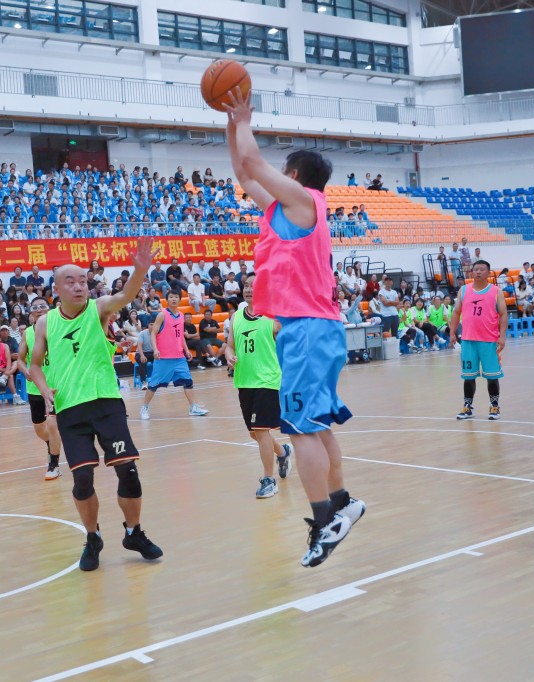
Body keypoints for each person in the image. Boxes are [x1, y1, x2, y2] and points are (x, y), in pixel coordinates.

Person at [225, 88, 364, 569]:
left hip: (308, 330)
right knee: (316, 426)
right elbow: (244, 172)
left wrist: (245, 119)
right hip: (311, 329)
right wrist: (231, 125)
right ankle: (343, 503)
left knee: (302, 430)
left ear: (296, 176)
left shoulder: (305, 202)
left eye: (284, 171)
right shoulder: (287, 211)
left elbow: (252, 161)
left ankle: (326, 521)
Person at [27, 236, 164, 572]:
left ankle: (133, 532)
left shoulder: (98, 309)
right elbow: (34, 365)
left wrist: (139, 271)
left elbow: (125, 295)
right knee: (83, 479)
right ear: (56, 288)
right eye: (70, 281)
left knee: (128, 471)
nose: (79, 286)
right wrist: (44, 389)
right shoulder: (45, 323)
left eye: (83, 281)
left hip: (106, 403)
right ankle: (92, 538)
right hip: (70, 409)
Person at [225, 275, 294, 499]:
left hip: (268, 380)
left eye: (254, 286)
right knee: (254, 433)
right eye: (246, 286)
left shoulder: (274, 318)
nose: (248, 289)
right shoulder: (236, 317)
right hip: (244, 381)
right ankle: (282, 452)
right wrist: (229, 356)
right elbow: (229, 346)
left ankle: (268, 480)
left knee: (261, 430)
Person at [450, 260, 507, 421]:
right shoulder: (464, 290)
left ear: (488, 273)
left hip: (489, 341)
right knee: (468, 376)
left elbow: (503, 314)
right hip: (468, 340)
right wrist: (452, 333)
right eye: (476, 269)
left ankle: (494, 406)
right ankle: (468, 407)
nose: (478, 272)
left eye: (482, 269)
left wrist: (502, 336)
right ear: (471, 272)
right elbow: (456, 312)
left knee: (492, 375)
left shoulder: (496, 291)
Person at [139, 290, 209, 420]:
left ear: (179, 300)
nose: (174, 299)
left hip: (179, 358)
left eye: (176, 297)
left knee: (188, 382)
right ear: (167, 300)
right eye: (171, 297)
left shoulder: (181, 315)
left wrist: (186, 350)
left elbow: (180, 335)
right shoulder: (162, 315)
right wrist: (155, 349)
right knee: (153, 385)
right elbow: (153, 333)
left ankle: (193, 407)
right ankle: (144, 407)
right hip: (164, 358)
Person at [16, 296, 64, 480]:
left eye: (42, 306)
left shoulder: (59, 328)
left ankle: (54, 465)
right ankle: (52, 445)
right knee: (40, 430)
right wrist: (25, 369)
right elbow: (20, 359)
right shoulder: (27, 333)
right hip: (34, 387)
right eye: (35, 307)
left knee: (52, 425)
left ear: (49, 309)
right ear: (30, 312)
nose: (39, 309)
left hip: (54, 387)